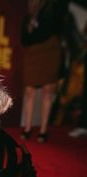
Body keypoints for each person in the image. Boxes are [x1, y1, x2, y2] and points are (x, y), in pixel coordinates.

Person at [20, 0, 65, 142]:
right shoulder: (27, 18)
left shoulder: (53, 9)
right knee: (29, 91)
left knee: (48, 90)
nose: (33, 3)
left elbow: (54, 29)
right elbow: (24, 39)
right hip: (33, 53)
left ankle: (43, 130)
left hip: (50, 50)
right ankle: (27, 128)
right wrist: (31, 22)